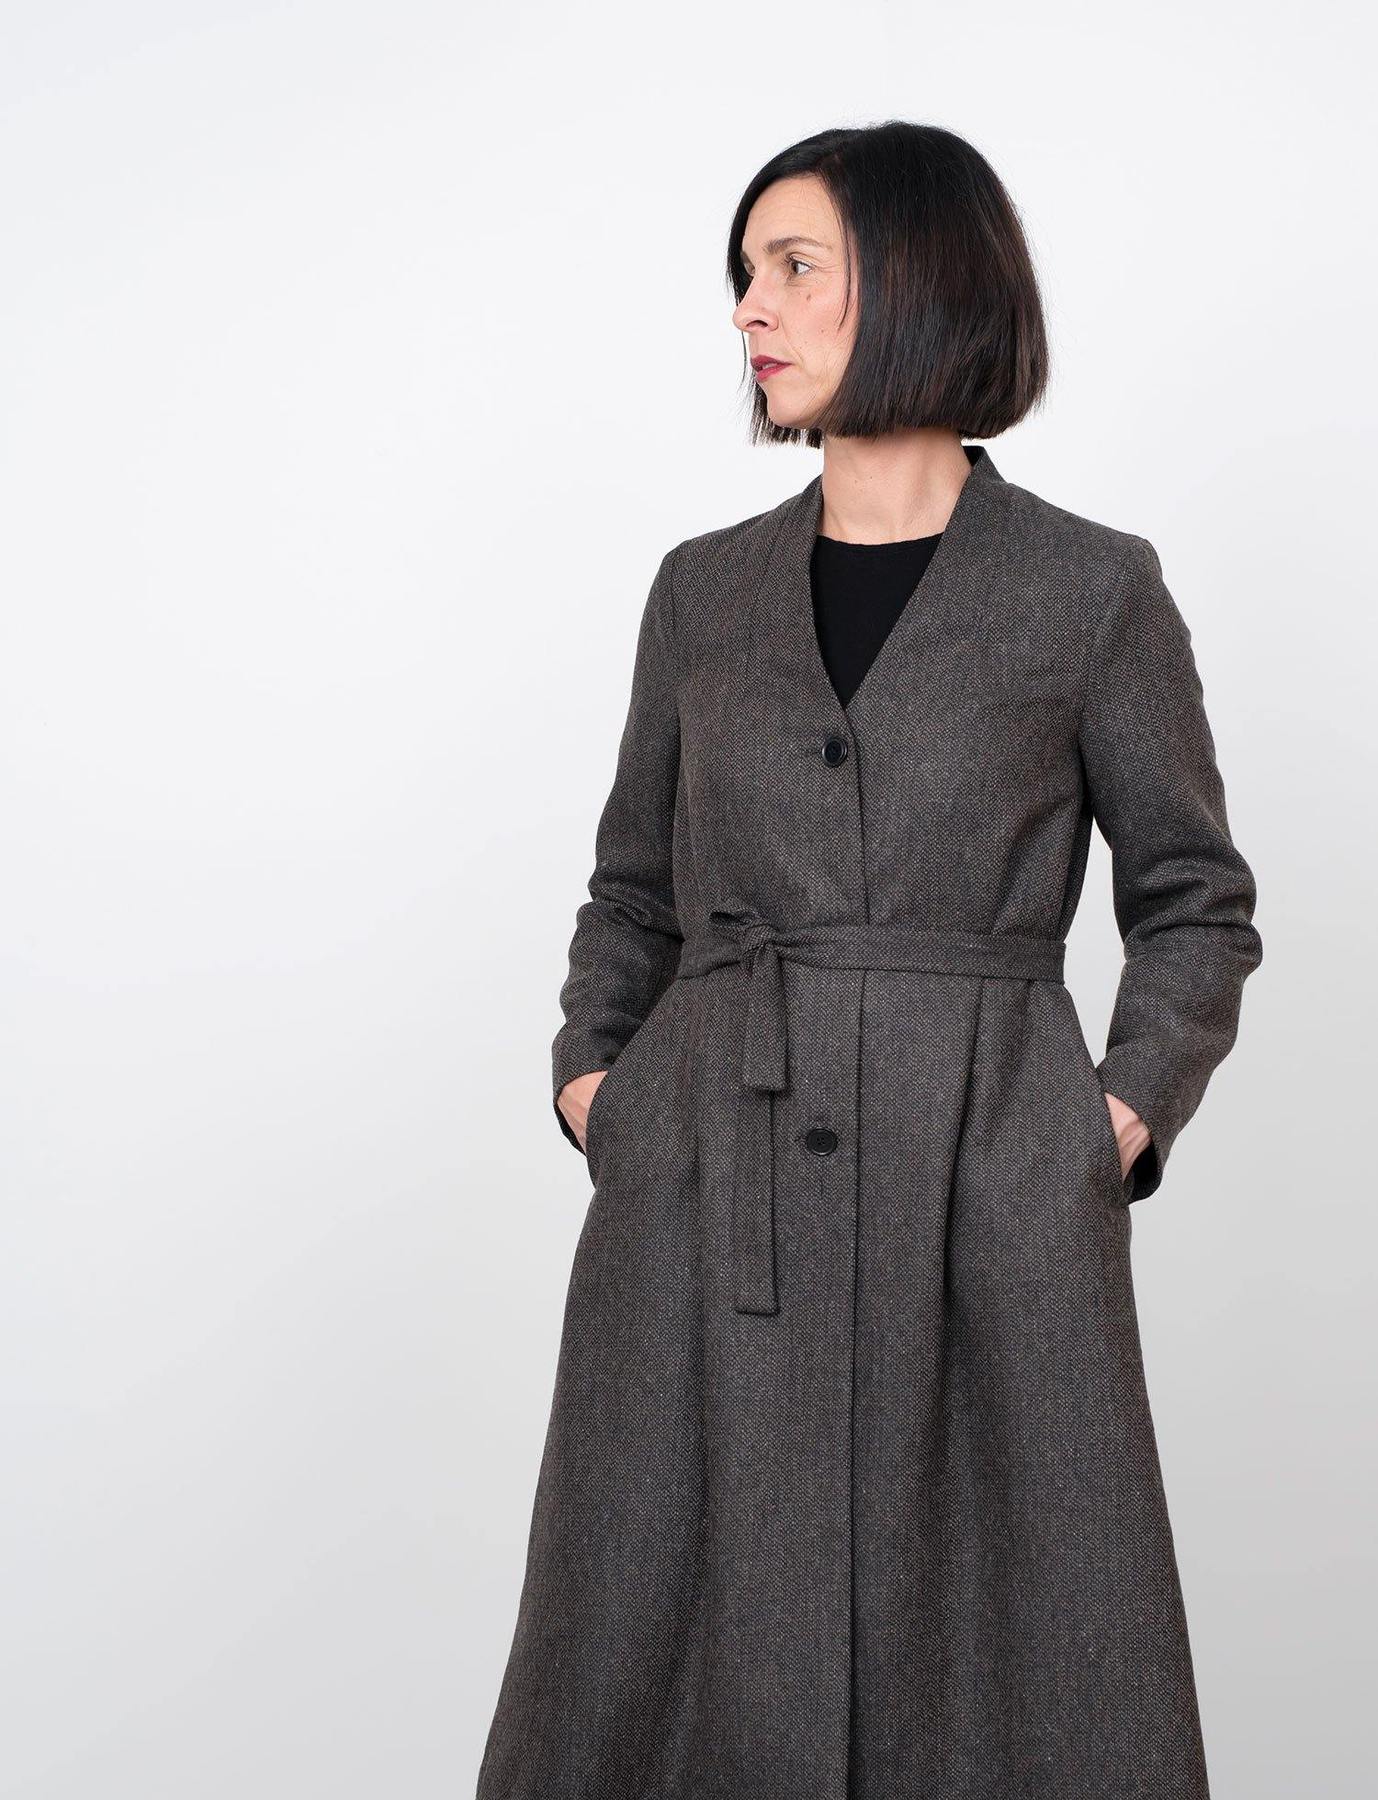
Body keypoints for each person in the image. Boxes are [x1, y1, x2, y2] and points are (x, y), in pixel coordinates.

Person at [477, 119, 1263, 1800]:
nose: (748, 310)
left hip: (985, 1183)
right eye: (742, 275)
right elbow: (631, 890)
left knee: (1022, 1647)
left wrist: (1101, 1125)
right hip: (705, 1187)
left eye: (792, 267)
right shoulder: (701, 594)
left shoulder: (1089, 591)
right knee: (647, 1640)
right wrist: (598, 1089)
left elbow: (1194, 899)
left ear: (916, 280)